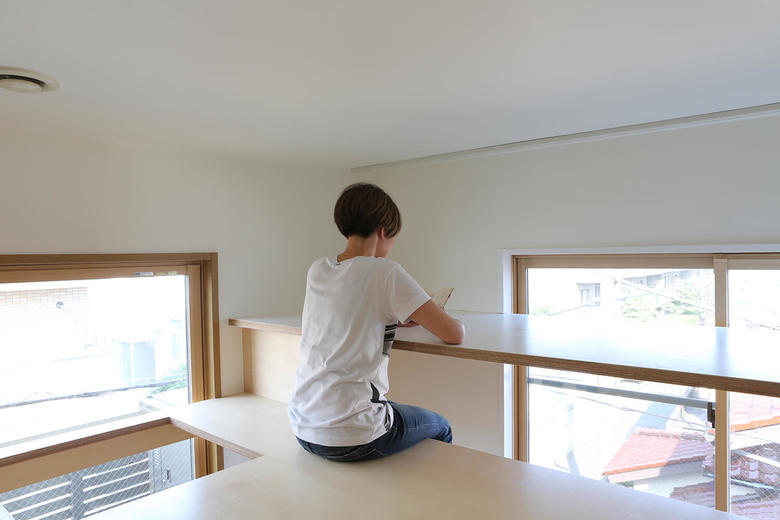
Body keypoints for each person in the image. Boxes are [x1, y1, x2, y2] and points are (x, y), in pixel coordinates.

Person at [288, 182, 465, 462]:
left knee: (389, 407)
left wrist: (390, 316)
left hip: (304, 426)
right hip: (353, 436)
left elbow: (346, 311)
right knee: (441, 426)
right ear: (384, 231)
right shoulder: (385, 271)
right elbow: (454, 334)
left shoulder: (318, 269)